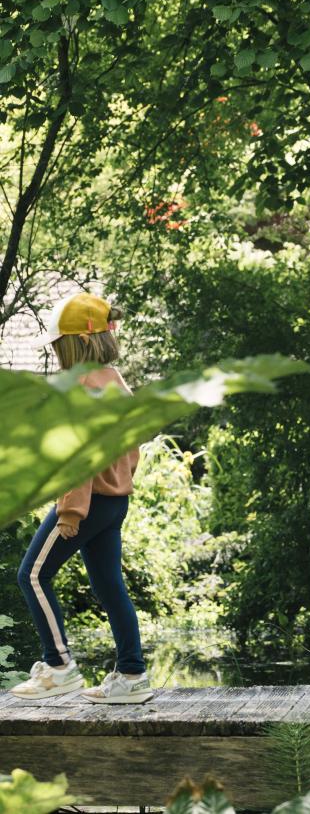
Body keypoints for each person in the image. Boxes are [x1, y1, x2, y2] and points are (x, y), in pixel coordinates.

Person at [10, 292, 153, 704]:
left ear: (75, 344)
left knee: (32, 575)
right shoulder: (114, 381)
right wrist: (117, 485)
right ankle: (131, 675)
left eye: (58, 346)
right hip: (113, 502)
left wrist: (71, 511)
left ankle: (59, 667)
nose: (56, 354)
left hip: (85, 504)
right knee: (110, 585)